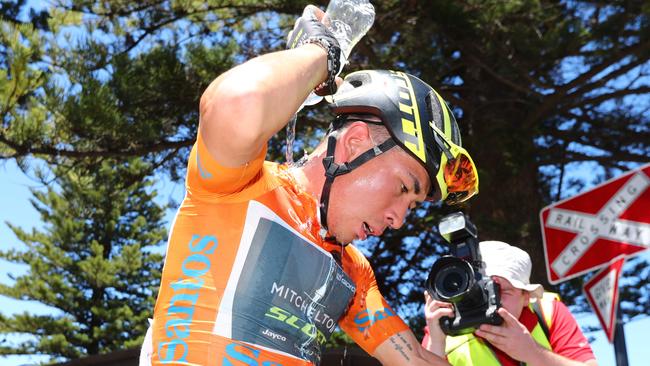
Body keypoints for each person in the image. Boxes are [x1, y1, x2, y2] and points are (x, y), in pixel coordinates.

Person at [140, 5, 479, 366]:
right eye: (402, 189)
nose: (398, 220)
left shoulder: (351, 271)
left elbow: (417, 362)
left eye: (412, 207)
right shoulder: (242, 185)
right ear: (355, 144)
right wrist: (322, 49)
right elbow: (236, 103)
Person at [423, 240, 598, 366]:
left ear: (526, 296)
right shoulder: (447, 321)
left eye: (503, 291)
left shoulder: (547, 311)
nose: (493, 299)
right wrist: (436, 345)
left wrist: (533, 354)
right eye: (484, 290)